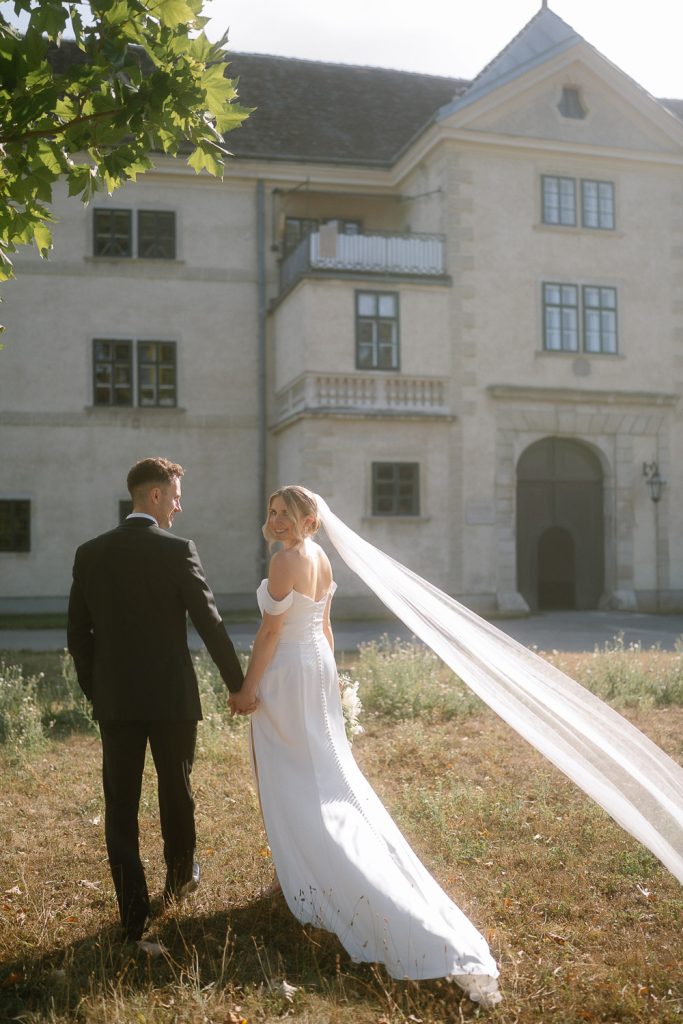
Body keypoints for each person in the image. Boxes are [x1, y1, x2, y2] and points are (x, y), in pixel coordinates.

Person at [230, 486, 502, 1009]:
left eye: (287, 514)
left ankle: (322, 872)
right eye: (272, 513)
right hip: (317, 668)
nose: (277, 521)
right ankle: (314, 863)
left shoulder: (285, 560)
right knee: (327, 774)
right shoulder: (324, 559)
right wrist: (329, 682)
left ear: (310, 520)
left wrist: (247, 690)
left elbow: (269, 634)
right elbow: (326, 629)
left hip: (287, 672)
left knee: (292, 775)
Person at [67, 457, 247, 943]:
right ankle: (179, 878)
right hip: (172, 698)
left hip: (117, 702)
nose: (179, 505)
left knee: (120, 803)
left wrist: (97, 689)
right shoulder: (178, 550)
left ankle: (132, 912)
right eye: (175, 495)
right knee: (177, 788)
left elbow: (77, 636)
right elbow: (209, 622)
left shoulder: (90, 553)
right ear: (154, 496)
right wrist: (238, 683)